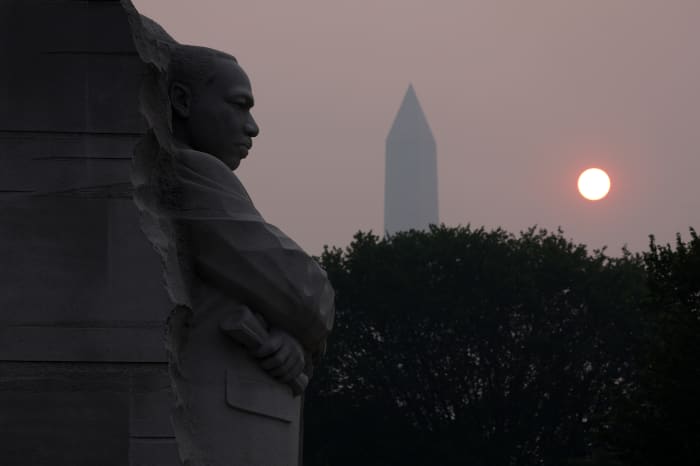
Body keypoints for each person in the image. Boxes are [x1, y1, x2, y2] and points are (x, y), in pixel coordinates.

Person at [129, 30, 335, 466]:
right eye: (239, 105)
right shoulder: (189, 169)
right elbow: (303, 293)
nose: (252, 127)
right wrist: (303, 323)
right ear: (182, 102)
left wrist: (293, 342)